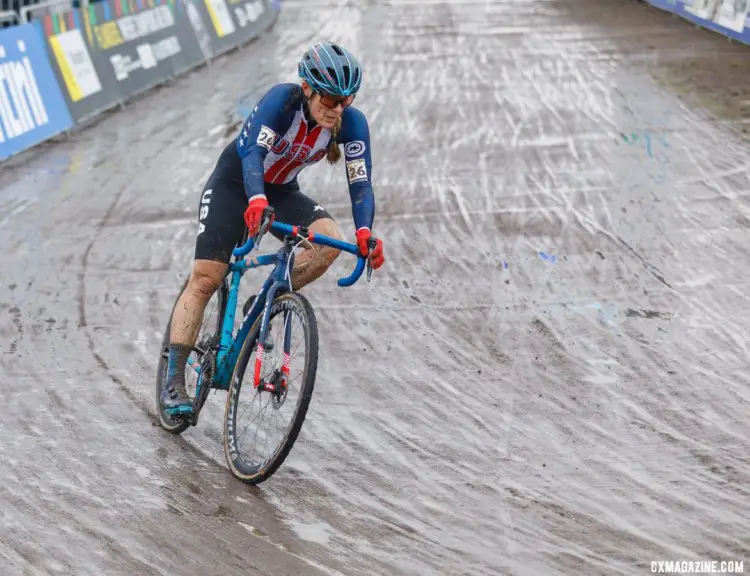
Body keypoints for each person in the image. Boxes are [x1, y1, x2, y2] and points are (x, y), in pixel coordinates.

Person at [160, 41, 385, 412]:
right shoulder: (282, 102)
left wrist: (365, 233)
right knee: (206, 277)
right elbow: (252, 154)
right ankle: (173, 381)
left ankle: (262, 303)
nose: (337, 109)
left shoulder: (351, 123)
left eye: (346, 100)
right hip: (235, 186)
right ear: (308, 88)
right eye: (330, 100)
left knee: (329, 241)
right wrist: (255, 200)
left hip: (281, 191)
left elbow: (360, 183)